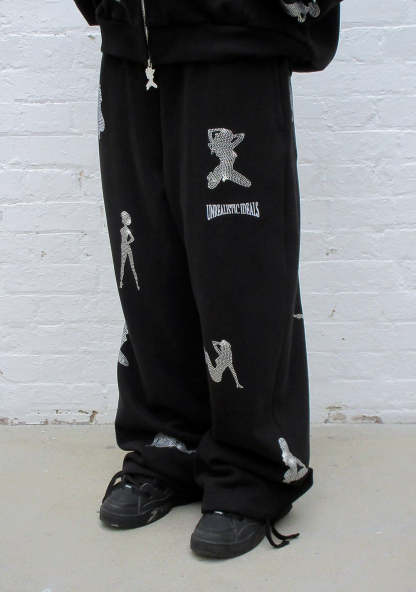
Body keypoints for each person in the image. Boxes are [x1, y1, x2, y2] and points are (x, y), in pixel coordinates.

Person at [73, 0, 342, 559]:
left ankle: (252, 467)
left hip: (234, 41)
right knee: (148, 268)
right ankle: (168, 444)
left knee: (241, 270)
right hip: (133, 49)